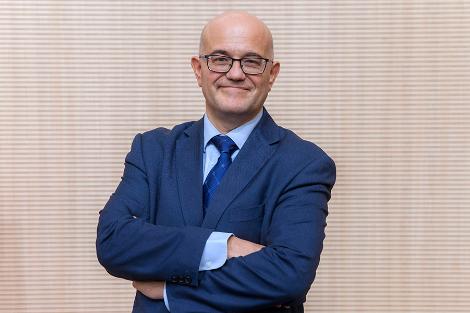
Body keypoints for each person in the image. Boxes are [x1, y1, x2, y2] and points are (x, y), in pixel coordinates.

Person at [96, 10, 336, 313]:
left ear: (272, 74)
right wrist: (223, 246)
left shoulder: (304, 163)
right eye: (220, 59)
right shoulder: (153, 150)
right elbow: (113, 240)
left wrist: (171, 289)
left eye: (251, 61)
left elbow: (289, 275)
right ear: (198, 69)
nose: (236, 73)